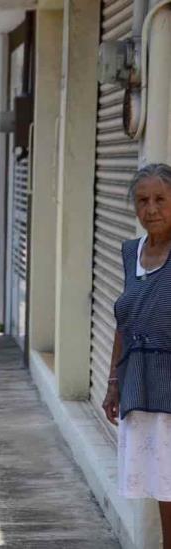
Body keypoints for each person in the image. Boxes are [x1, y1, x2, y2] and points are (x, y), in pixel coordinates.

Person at [103, 163, 171, 548]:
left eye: (161, 199)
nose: (151, 209)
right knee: (164, 486)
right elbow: (123, 323)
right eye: (142, 200)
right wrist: (114, 383)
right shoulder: (133, 253)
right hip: (141, 386)